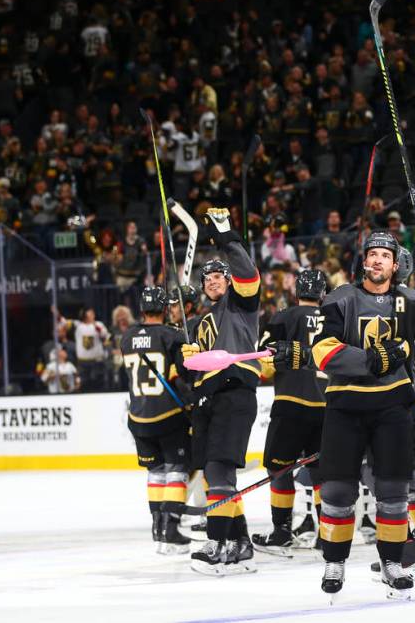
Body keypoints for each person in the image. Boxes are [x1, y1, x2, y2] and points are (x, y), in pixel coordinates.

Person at [311, 231, 415, 600]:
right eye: (372, 254)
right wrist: (370, 360)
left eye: (384, 256)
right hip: (345, 403)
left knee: (394, 491)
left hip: (393, 405)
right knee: (336, 490)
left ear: (395, 265)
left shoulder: (411, 300)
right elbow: (322, 351)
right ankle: (335, 561)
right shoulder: (341, 297)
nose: (377, 260)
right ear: (364, 261)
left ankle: (394, 563)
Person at [184, 208, 262, 576]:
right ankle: (239, 541)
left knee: (219, 470)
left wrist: (227, 236)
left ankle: (216, 543)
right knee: (218, 475)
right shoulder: (202, 321)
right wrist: (189, 360)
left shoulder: (241, 304)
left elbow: (248, 273)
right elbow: (196, 372)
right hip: (208, 397)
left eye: (220, 275)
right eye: (208, 277)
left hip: (234, 389)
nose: (214, 280)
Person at [251, 269, 329, 556]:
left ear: (298, 291)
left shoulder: (284, 317)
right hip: (327, 407)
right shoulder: (335, 319)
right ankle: (327, 533)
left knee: (279, 469)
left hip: (291, 403)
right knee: (323, 474)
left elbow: (265, 361)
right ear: (323, 293)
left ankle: (282, 532)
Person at [119, 286, 193, 555]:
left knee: (155, 471)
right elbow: (181, 374)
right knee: (177, 469)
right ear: (164, 309)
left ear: (141, 309)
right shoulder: (171, 336)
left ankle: (157, 527)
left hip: (138, 416)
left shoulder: (126, 338)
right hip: (167, 415)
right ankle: (171, 528)